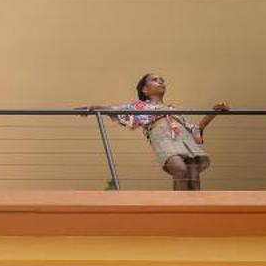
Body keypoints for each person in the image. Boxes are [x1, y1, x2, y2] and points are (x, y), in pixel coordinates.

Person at [84, 74, 228, 191]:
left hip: (184, 139)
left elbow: (195, 129)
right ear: (145, 90)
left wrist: (214, 112)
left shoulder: (172, 109)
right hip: (163, 138)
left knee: (193, 175)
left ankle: (195, 215)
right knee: (179, 169)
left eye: (162, 80)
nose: (160, 82)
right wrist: (94, 107)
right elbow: (115, 110)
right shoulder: (139, 106)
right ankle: (179, 214)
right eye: (155, 80)